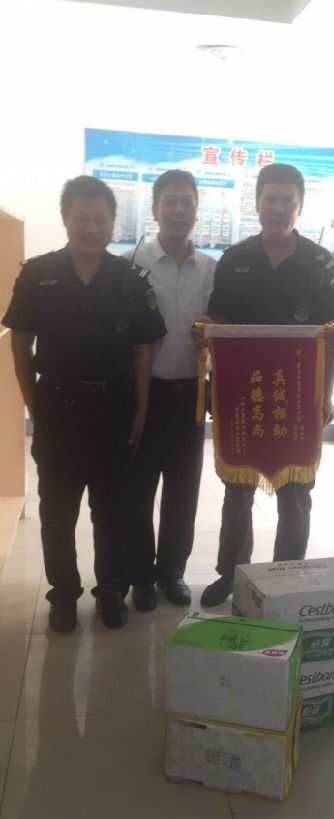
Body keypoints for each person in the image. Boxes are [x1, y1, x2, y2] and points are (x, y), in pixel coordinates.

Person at [2, 175, 166, 633]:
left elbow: (142, 350)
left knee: (112, 510)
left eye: (100, 219)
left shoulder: (129, 279)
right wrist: (33, 403)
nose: (91, 228)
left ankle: (111, 590)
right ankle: (63, 595)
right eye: (82, 218)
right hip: (58, 409)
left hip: (114, 410)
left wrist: (140, 409)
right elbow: (20, 344)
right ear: (65, 220)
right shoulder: (38, 275)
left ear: (114, 222)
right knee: (57, 511)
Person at [195, 163, 334, 607]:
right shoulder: (235, 259)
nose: (279, 208)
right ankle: (231, 573)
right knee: (237, 490)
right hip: (242, 396)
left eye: (288, 201)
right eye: (271, 199)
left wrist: (326, 395)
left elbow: (333, 339)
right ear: (257, 202)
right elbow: (219, 319)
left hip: (297, 397)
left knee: (295, 494)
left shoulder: (321, 264)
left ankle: (285, 579)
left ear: (300, 206)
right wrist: (206, 327)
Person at [127, 170, 216, 610]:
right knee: (139, 489)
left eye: (187, 202)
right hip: (143, 395)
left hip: (190, 395)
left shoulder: (212, 270)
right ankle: (141, 576)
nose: (179, 211)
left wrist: (214, 329)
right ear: (155, 209)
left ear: (197, 210)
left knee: (183, 490)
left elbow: (223, 325)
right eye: (170, 202)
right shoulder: (132, 264)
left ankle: (172, 573)